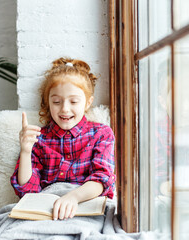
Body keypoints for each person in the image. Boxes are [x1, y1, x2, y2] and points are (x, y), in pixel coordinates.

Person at [10, 57, 116, 221]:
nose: (65, 109)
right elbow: (27, 191)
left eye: (73, 101)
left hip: (85, 204)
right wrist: (25, 151)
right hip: (47, 209)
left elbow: (102, 179)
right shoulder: (39, 139)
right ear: (48, 103)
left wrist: (73, 197)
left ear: (88, 102)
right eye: (57, 102)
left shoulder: (101, 133)